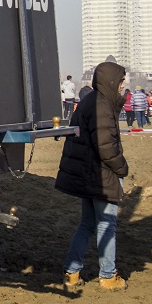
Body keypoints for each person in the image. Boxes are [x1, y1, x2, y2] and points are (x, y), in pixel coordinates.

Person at [57, 61, 130, 291]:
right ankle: (108, 276)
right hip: (101, 175)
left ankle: (72, 272)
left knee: (87, 223)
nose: (123, 85)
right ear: (111, 81)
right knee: (106, 225)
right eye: (120, 81)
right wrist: (122, 168)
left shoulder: (89, 101)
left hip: (88, 174)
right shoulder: (102, 106)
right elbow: (106, 147)